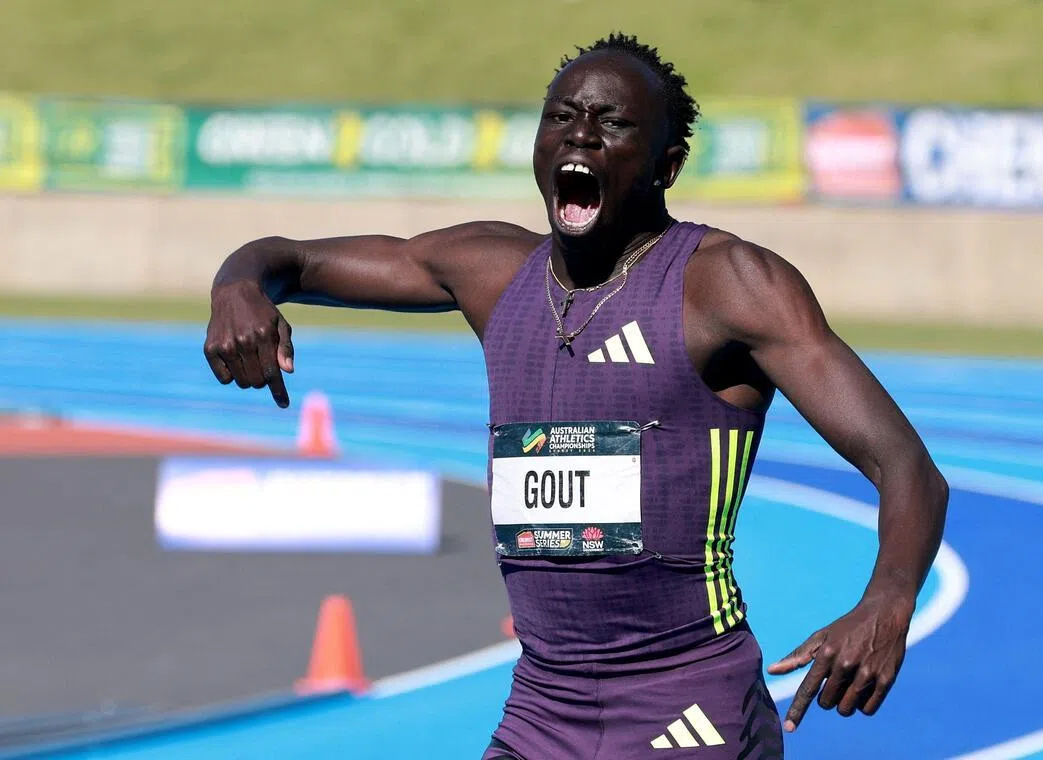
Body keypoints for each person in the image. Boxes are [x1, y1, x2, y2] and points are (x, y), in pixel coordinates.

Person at [204, 33, 948, 760]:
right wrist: (237, 283)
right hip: (543, 706)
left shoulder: (726, 284)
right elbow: (292, 261)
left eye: (611, 122)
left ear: (667, 165)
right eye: (560, 116)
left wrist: (888, 599)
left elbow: (906, 465)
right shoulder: (491, 272)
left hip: (690, 701)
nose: (580, 135)